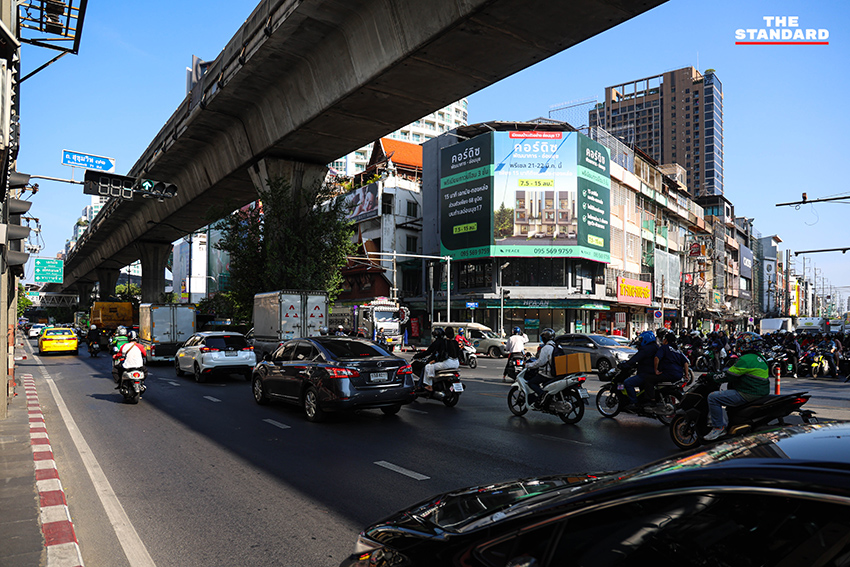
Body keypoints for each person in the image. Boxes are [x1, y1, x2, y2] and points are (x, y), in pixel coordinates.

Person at [704, 336, 771, 441]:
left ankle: (718, 427)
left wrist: (711, 376)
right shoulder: (761, 358)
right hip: (761, 392)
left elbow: (729, 375)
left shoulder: (745, 359)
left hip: (748, 393)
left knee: (713, 398)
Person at [620, 330, 659, 407]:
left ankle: (634, 402)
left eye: (641, 339)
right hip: (653, 373)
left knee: (628, 383)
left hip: (646, 373)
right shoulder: (656, 347)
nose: (640, 341)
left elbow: (635, 359)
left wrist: (626, 365)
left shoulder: (646, 349)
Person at [416, 327, 460, 391]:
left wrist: (435, 360)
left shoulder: (444, 342)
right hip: (456, 363)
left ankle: (429, 385)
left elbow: (442, 354)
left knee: (428, 367)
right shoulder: (455, 342)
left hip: (448, 363)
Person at [653, 333, 689, 407]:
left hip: (668, 374)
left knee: (648, 379)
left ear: (666, 340)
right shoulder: (677, 350)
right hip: (679, 375)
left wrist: (656, 370)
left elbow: (656, 358)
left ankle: (651, 400)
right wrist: (686, 375)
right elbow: (685, 362)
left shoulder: (664, 348)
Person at [523, 328, 557, 407]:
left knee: (531, 382)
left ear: (545, 338)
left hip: (547, 374)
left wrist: (528, 365)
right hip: (556, 372)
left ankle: (541, 394)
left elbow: (540, 362)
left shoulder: (546, 348)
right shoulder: (556, 346)